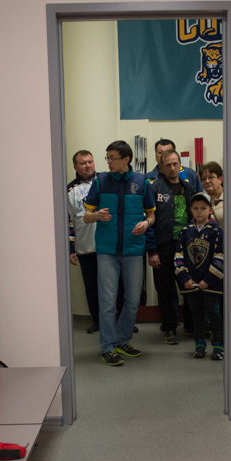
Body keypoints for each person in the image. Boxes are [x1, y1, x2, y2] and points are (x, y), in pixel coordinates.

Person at [83, 140, 156, 366]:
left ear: (126, 159)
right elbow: (86, 216)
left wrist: (146, 223)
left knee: (132, 301)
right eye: (107, 158)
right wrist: (96, 216)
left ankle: (122, 340)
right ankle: (107, 346)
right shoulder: (100, 181)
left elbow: (151, 215)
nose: (108, 162)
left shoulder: (142, 183)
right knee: (107, 302)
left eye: (112, 158)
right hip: (107, 251)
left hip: (133, 250)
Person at [66, 150, 130, 334]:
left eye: (90, 162)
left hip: (109, 243)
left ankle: (123, 320)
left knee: (118, 283)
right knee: (92, 286)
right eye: (83, 163)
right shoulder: (70, 190)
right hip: (86, 246)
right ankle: (98, 321)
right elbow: (69, 221)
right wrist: (71, 247)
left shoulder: (106, 180)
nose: (88, 166)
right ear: (75, 166)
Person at [146, 150, 196, 345]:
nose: (172, 168)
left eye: (175, 164)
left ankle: (190, 325)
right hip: (163, 249)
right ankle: (169, 328)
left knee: (189, 288)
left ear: (180, 164)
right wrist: (152, 251)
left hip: (186, 250)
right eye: (168, 165)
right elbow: (149, 222)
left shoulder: (189, 189)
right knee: (165, 291)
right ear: (161, 166)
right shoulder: (154, 189)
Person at [175, 192, 224, 360]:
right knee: (196, 314)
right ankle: (200, 344)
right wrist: (185, 279)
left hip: (212, 284)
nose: (199, 211)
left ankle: (218, 345)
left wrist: (208, 280)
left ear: (210, 210)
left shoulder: (216, 231)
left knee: (214, 313)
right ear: (191, 210)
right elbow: (178, 257)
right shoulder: (185, 231)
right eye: (195, 208)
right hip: (192, 283)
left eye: (203, 208)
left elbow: (220, 257)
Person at [199, 162, 224, 230]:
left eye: (211, 177)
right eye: (204, 179)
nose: (207, 181)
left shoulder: (230, 199)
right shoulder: (200, 201)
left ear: (220, 179)